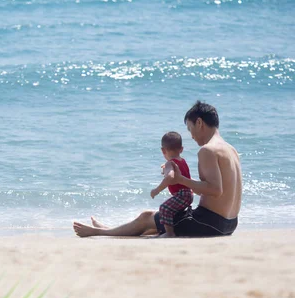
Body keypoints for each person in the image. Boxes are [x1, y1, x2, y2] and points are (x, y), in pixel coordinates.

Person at [73, 101, 241, 238]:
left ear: (199, 123)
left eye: (190, 129)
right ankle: (109, 229)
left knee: (147, 217)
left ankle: (100, 232)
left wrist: (181, 180)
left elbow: (215, 190)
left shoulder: (208, 150)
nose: (191, 136)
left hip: (209, 223)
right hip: (229, 223)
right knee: (158, 220)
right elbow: (218, 190)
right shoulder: (230, 150)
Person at [150, 132, 193, 237]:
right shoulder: (182, 161)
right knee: (171, 209)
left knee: (164, 208)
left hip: (181, 195)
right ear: (181, 149)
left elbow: (170, 177)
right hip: (189, 194)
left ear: (163, 150)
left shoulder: (170, 163)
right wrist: (166, 169)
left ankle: (169, 233)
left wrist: (157, 190)